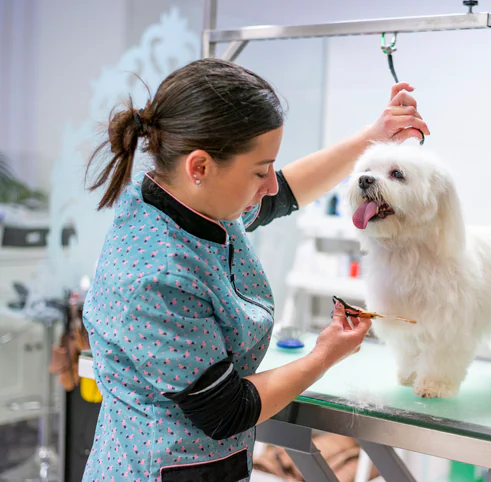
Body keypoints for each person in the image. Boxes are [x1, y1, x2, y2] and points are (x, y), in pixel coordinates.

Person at [80, 58, 429, 482]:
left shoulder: (189, 200)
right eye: (260, 171)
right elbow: (227, 411)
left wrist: (372, 139)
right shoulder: (156, 275)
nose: (268, 185)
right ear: (201, 167)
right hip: (161, 469)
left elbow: (286, 192)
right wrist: (325, 355)